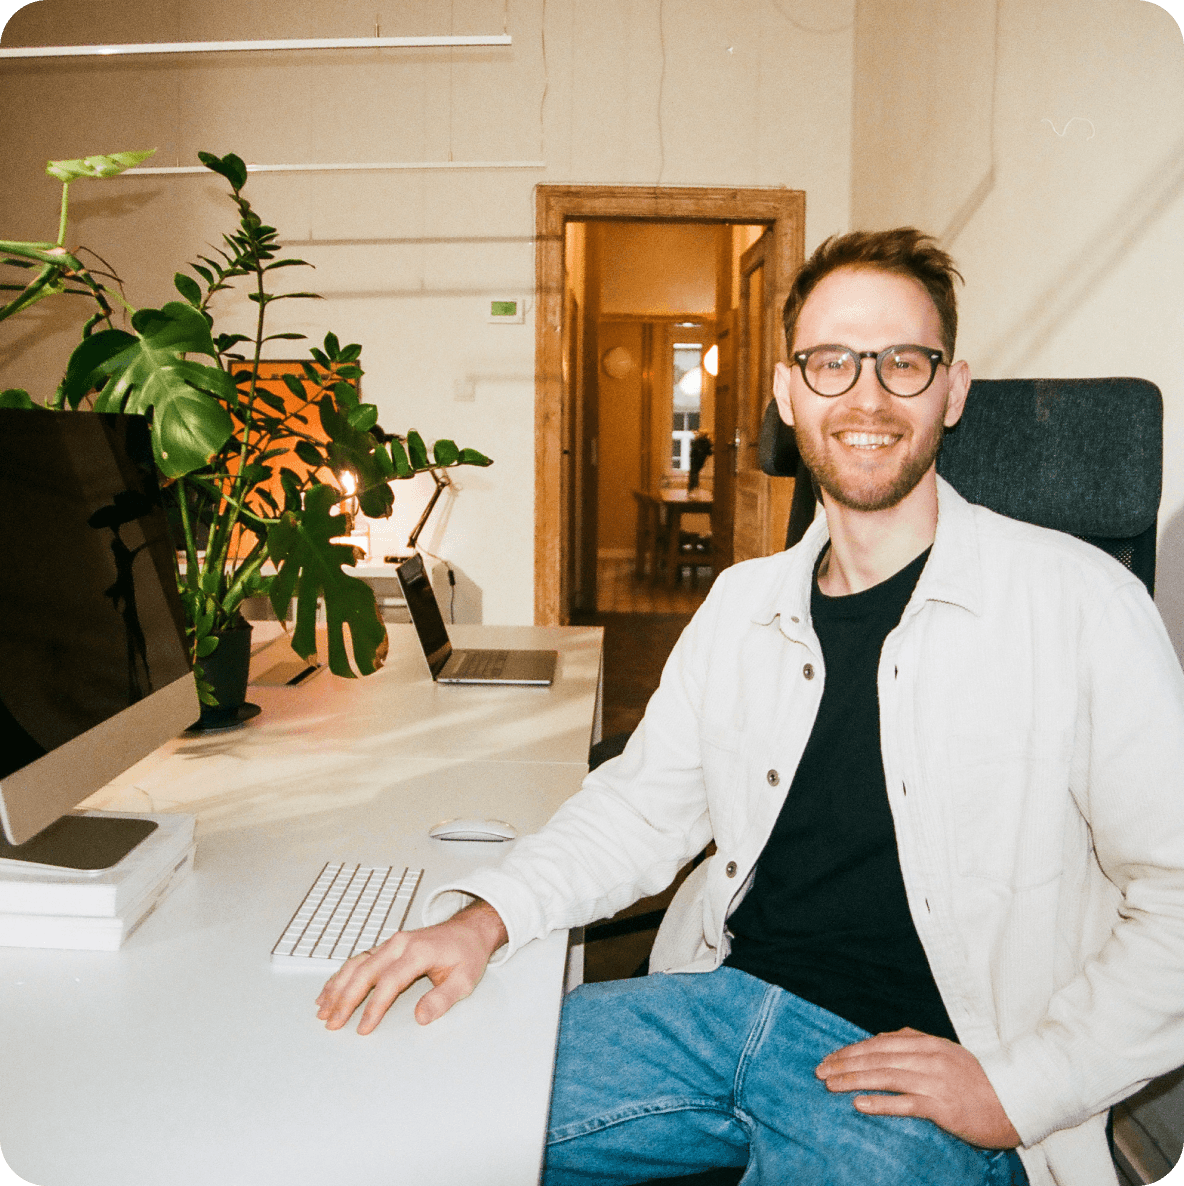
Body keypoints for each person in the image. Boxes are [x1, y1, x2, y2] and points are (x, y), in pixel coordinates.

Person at [315, 229, 1184, 1186]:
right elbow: (641, 807)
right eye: (830, 362)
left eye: (904, 362)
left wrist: (1019, 1088)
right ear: (786, 393)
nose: (866, 396)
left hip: (919, 1074)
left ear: (954, 389)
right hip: (715, 1005)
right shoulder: (742, 603)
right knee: (387, 1112)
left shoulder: (1080, 604)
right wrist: (483, 917)